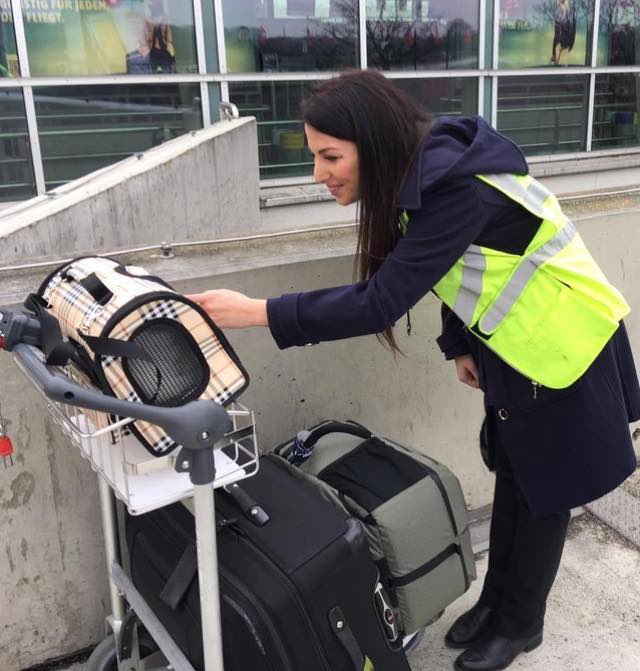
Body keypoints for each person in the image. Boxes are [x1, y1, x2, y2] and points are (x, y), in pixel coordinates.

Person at [188, 71, 640, 671]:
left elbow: (380, 300)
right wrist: (459, 343)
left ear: (371, 142)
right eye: (314, 156)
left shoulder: (453, 188)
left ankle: (521, 623)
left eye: (329, 156)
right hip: (516, 344)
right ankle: (498, 603)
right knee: (516, 474)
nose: (318, 174)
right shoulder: (422, 176)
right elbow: (454, 269)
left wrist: (256, 312)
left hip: (564, 345)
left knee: (542, 494)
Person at [551, 0, 576, 65]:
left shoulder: (570, 12)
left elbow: (571, 29)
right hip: (561, 43)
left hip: (565, 43)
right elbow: (558, 29)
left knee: (562, 66)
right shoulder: (559, 10)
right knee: (558, 66)